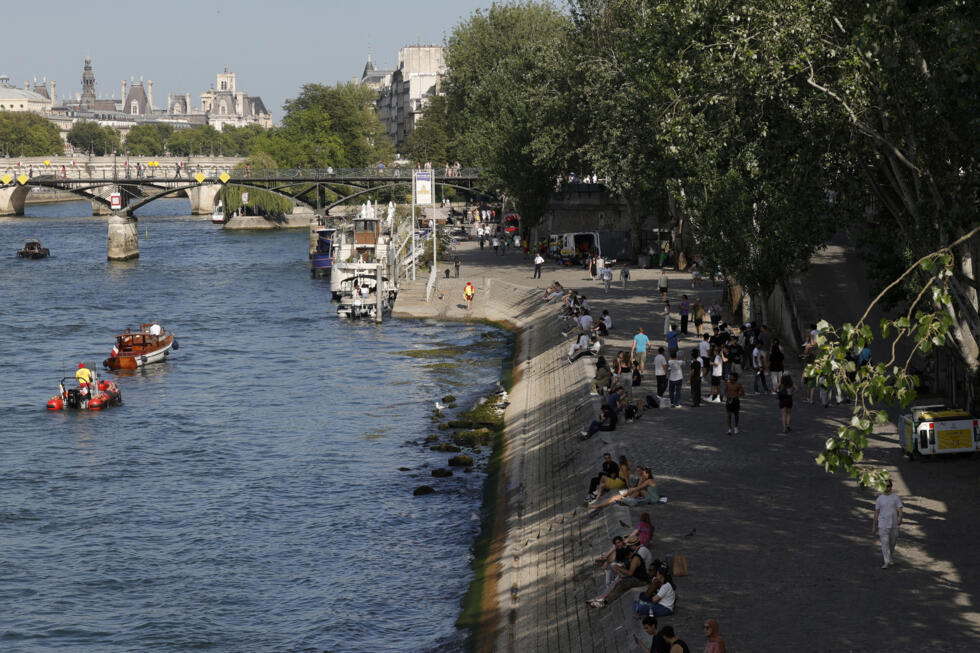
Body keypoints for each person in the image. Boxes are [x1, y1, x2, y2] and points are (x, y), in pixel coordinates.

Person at [590, 466, 658, 509]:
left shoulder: (649, 481)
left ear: (648, 474)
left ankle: (598, 505)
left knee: (621, 495)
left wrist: (628, 491)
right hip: (649, 496)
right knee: (618, 496)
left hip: (652, 499)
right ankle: (625, 498)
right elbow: (638, 487)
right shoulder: (647, 480)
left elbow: (638, 488)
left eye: (643, 473)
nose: (642, 474)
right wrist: (641, 478)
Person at [873, 479, 904, 568]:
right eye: (885, 486)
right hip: (882, 524)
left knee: (893, 542)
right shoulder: (879, 499)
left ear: (891, 486)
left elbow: (900, 509)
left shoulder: (896, 497)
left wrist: (900, 518)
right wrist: (874, 526)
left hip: (894, 524)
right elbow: (876, 512)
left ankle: (889, 556)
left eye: (888, 486)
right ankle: (886, 561)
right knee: (884, 543)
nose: (887, 488)